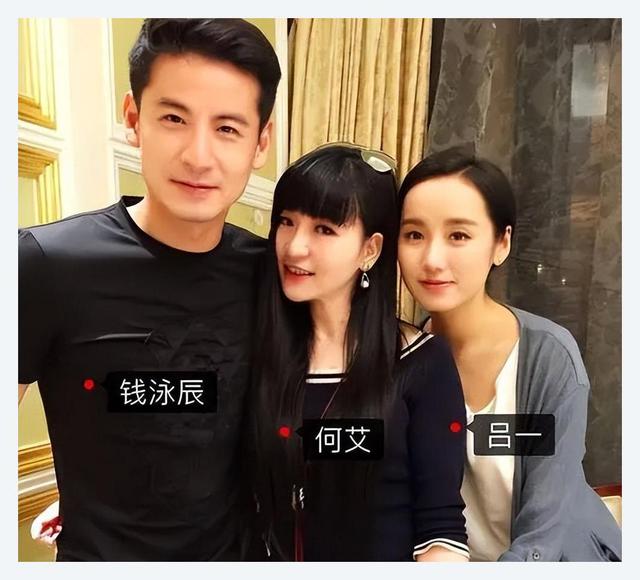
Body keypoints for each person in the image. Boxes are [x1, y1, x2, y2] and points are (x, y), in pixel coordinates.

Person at [18, 18, 281, 561]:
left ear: (261, 142)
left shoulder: (270, 272)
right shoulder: (46, 263)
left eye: (227, 128)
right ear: (134, 119)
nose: (199, 156)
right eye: (174, 118)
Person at [396, 145, 622, 561]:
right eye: (414, 234)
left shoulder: (549, 359)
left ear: (501, 243)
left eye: (459, 235)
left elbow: (544, 531)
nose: (432, 259)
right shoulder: (402, 357)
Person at [250, 143, 469, 562]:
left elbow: (441, 530)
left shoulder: (422, 362)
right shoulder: (262, 350)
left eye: (324, 229)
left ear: (370, 249)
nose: (294, 247)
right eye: (286, 222)